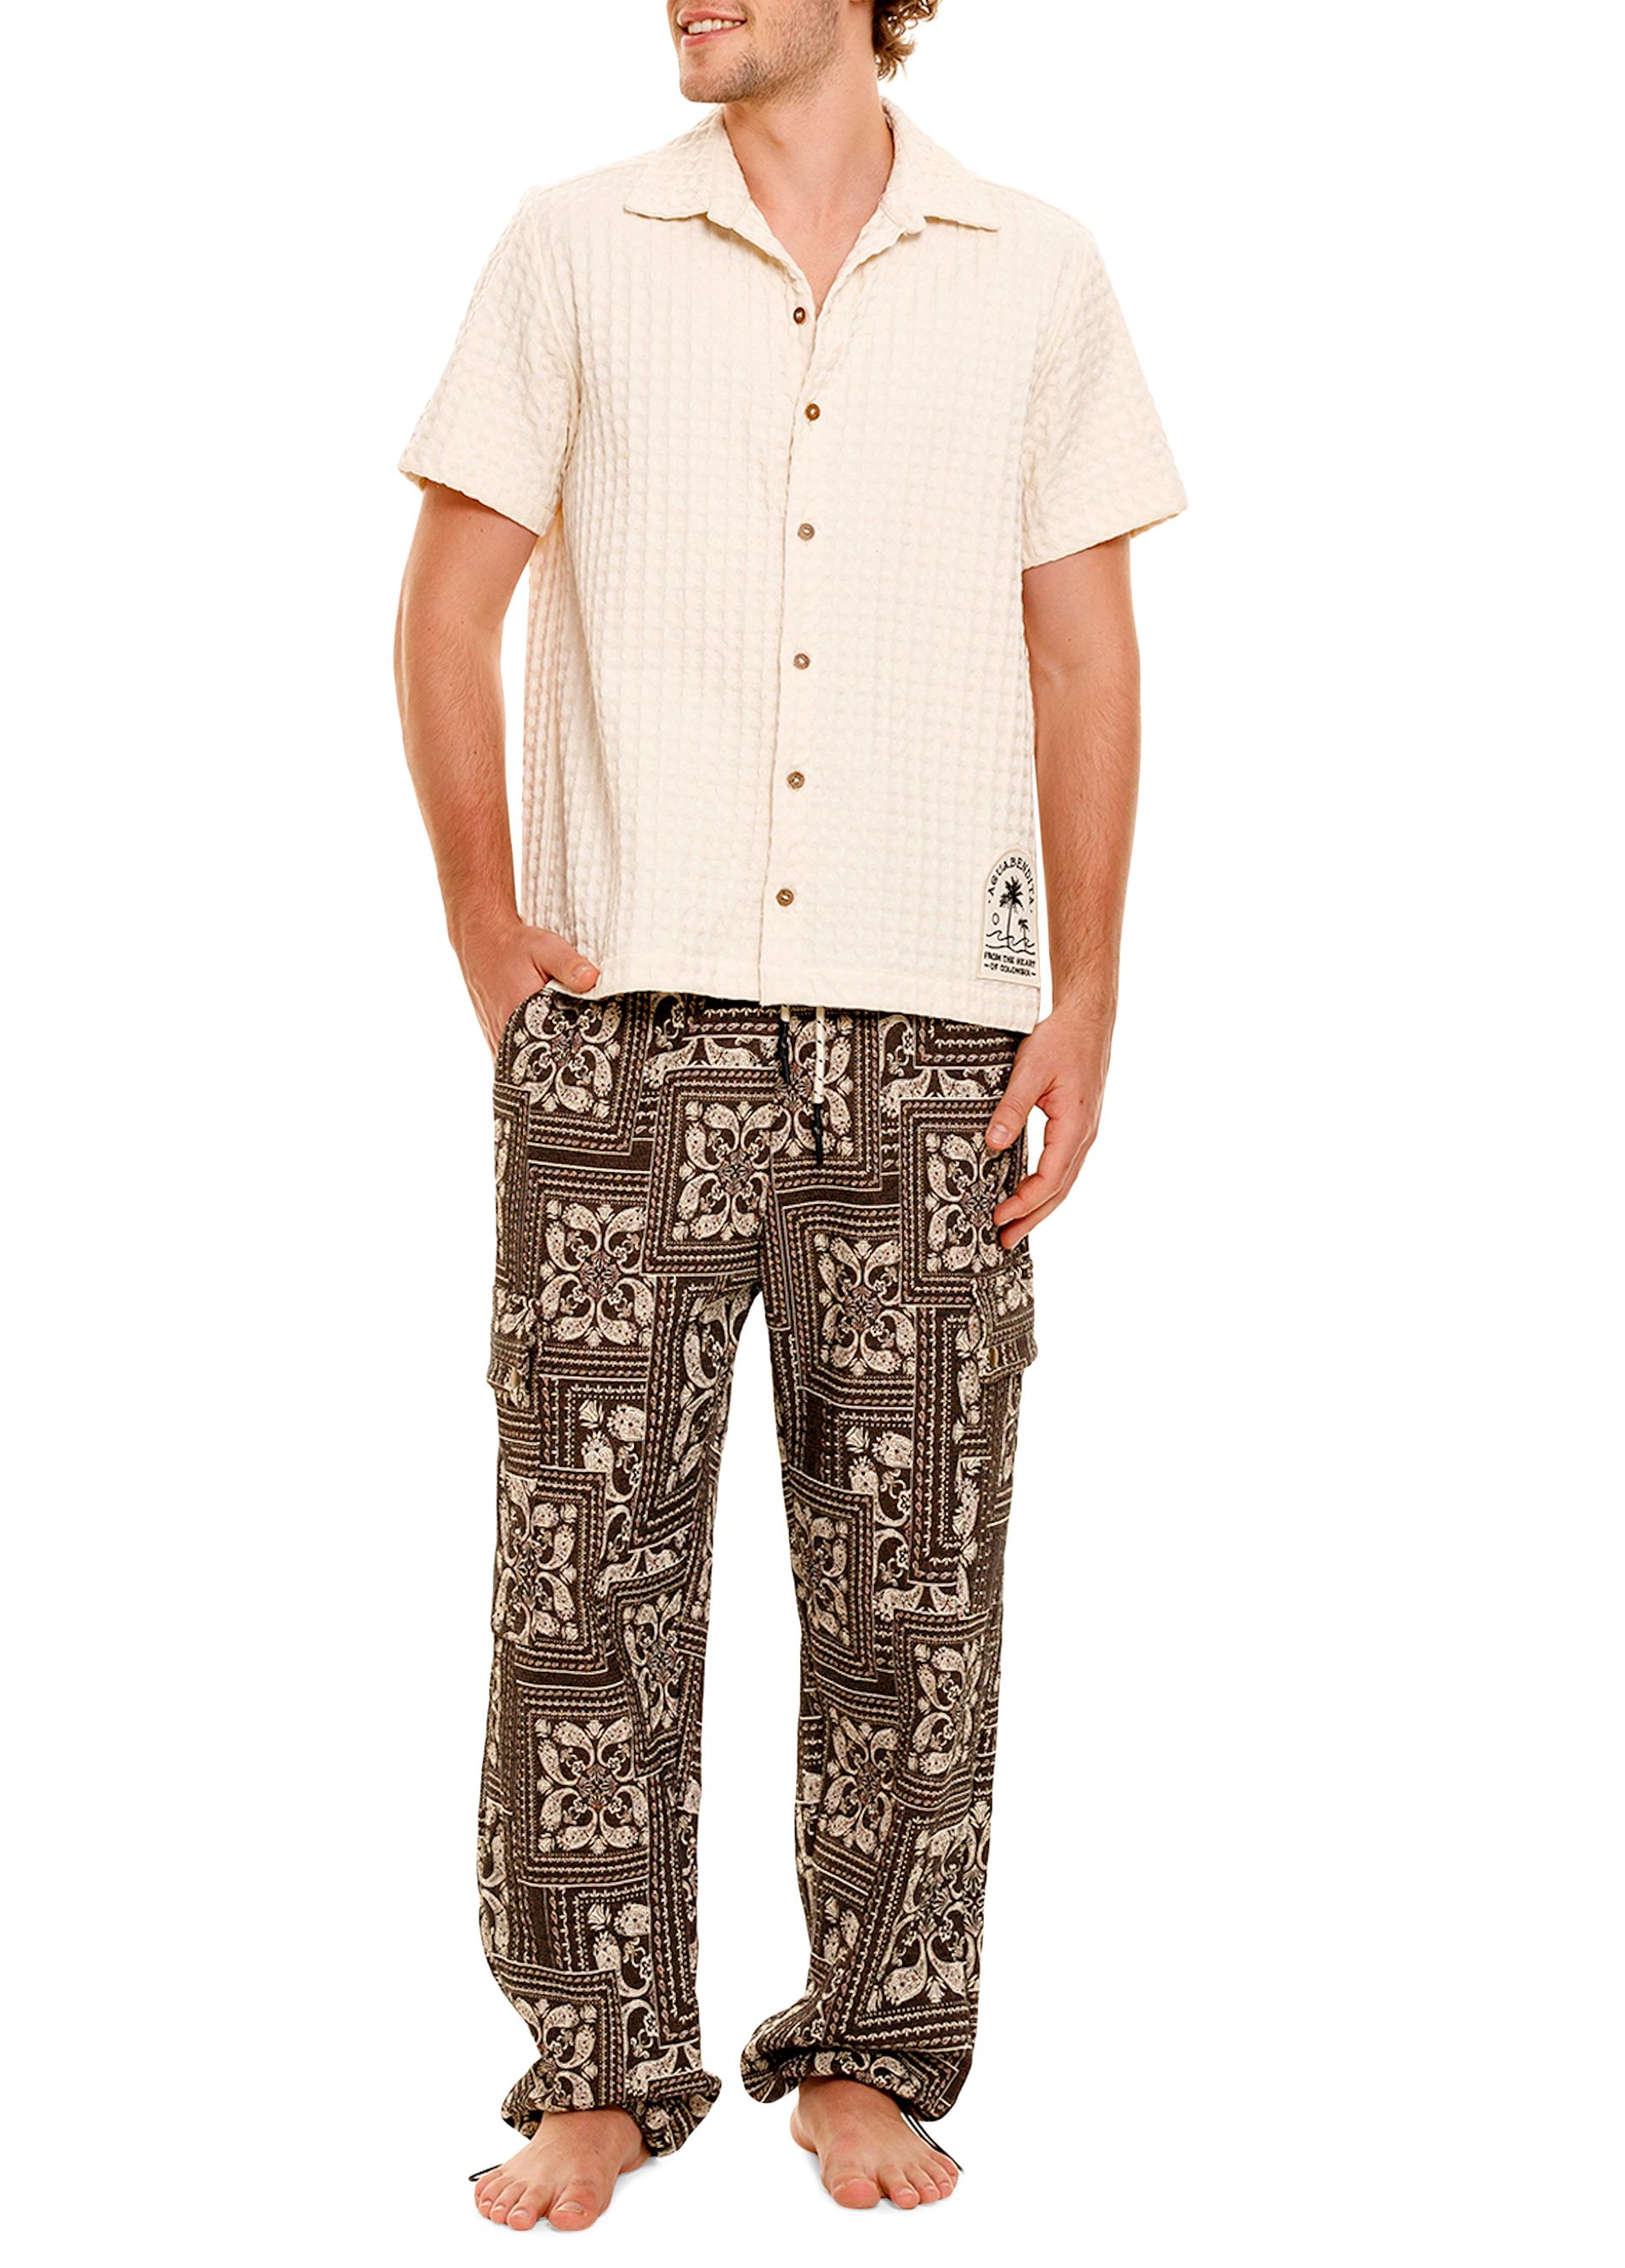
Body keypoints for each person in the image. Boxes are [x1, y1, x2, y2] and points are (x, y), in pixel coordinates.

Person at [394, 0, 1184, 2231]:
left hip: (935, 1039)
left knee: (913, 1590)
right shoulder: (573, 247)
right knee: (586, 1574)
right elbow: (448, 609)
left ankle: (869, 2050)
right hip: (627, 1026)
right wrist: (488, 929)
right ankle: (597, 2064)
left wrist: (1086, 991)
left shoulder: (1036, 270)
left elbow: (1086, 650)